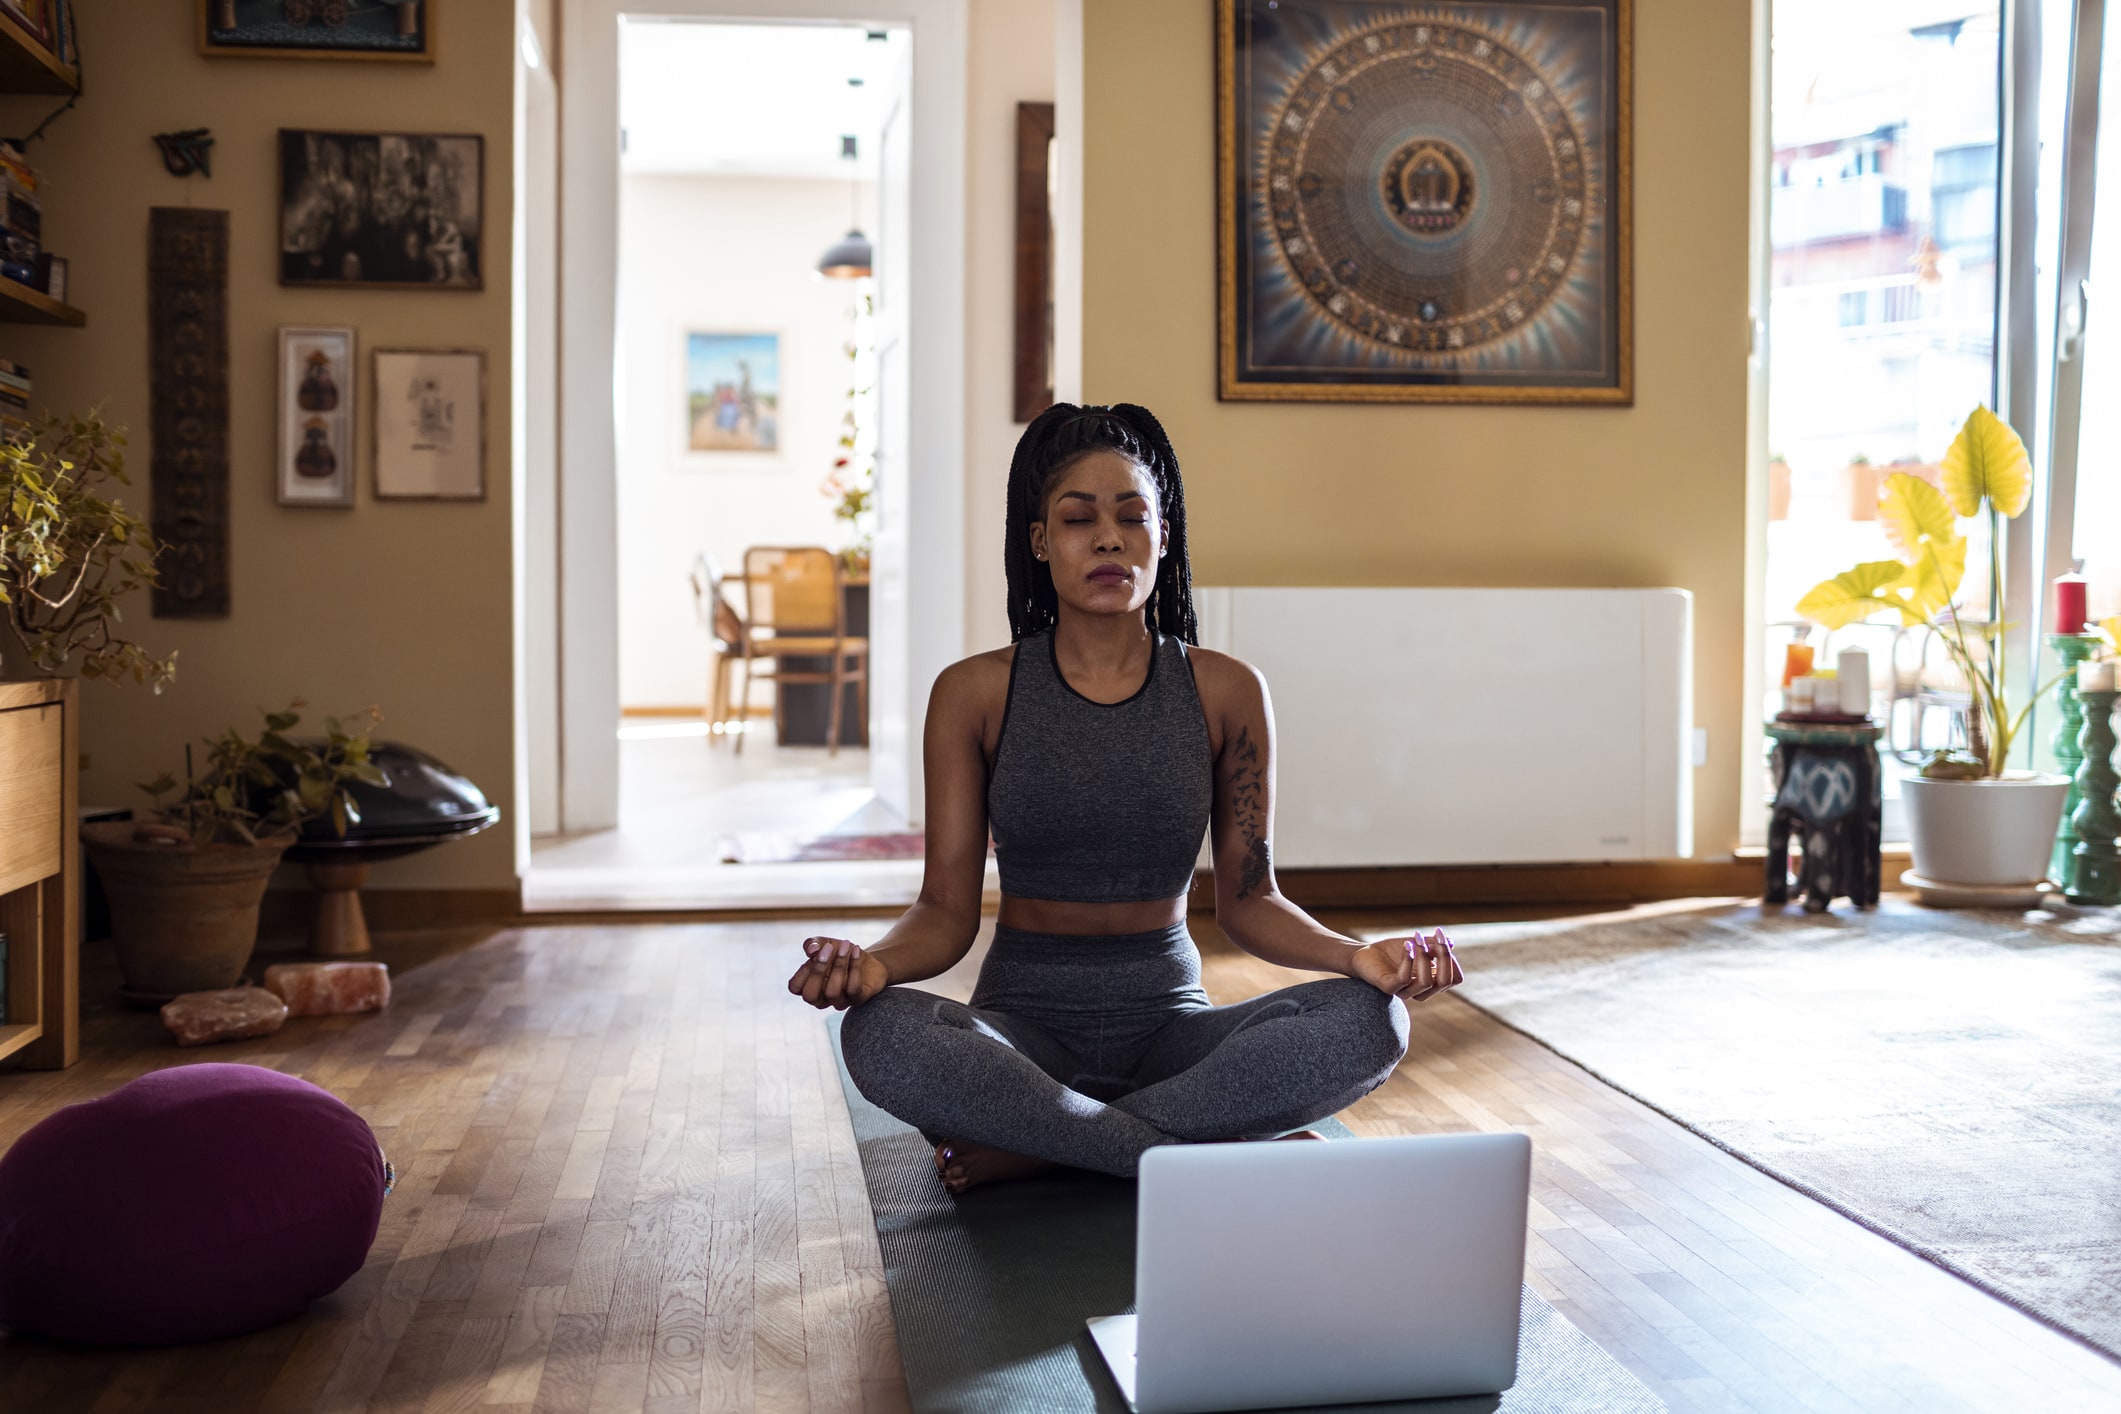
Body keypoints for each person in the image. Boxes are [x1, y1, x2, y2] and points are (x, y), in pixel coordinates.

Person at [790, 402, 1463, 1193]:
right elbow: (943, 911)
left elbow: (1251, 902)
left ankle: (1051, 1142)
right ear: (1040, 541)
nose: (1108, 538)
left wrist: (1358, 957)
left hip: (1171, 1032)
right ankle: (1186, 1147)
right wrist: (872, 967)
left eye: (1132, 519)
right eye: (1078, 519)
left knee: (1370, 1019)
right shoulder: (975, 693)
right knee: (883, 1035)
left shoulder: (1225, 690)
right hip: (1021, 1030)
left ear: (1162, 538)